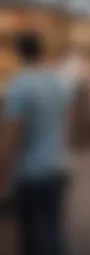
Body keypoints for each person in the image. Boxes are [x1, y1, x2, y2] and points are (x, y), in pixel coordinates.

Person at [0, 32, 71, 255]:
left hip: (30, 171)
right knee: (53, 230)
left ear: (18, 52)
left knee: (29, 235)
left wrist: (4, 168)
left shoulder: (20, 86)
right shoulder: (58, 82)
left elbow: (15, 133)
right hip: (58, 164)